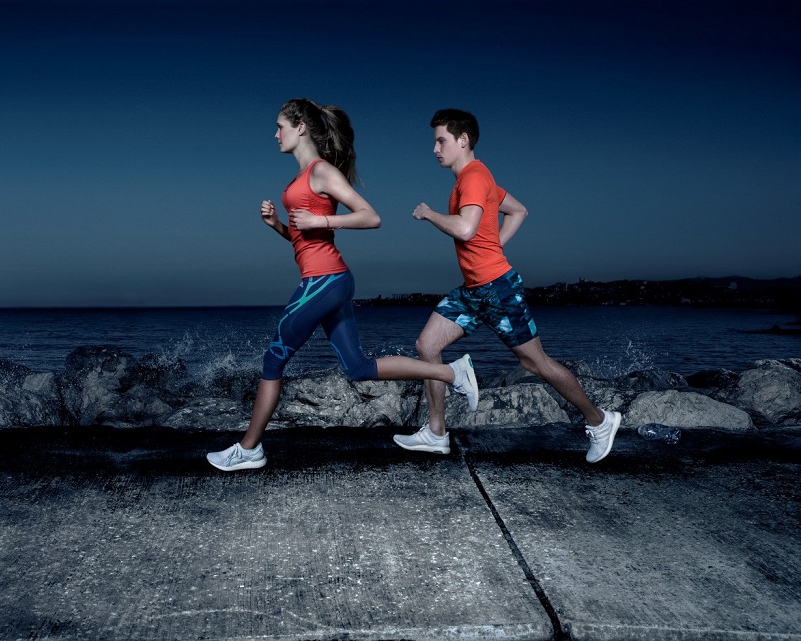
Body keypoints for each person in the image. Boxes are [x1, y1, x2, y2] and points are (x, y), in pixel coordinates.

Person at [206, 98, 479, 472]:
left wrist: (322, 222)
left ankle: (249, 449)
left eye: (280, 126)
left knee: (273, 359)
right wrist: (278, 226)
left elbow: (371, 216)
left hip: (324, 281)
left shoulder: (321, 172)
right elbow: (304, 242)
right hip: (330, 280)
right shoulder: (300, 178)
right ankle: (452, 373)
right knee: (358, 367)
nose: (276, 134)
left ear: (301, 127)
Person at [393, 108, 621, 463]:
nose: (435, 149)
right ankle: (436, 432)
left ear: (463, 140)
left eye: (441, 141)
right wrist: (494, 245)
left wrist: (429, 214)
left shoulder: (473, 177)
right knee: (427, 345)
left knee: (535, 363)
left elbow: (465, 229)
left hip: (497, 290)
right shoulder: (476, 178)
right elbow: (519, 211)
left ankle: (600, 421)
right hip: (473, 290)